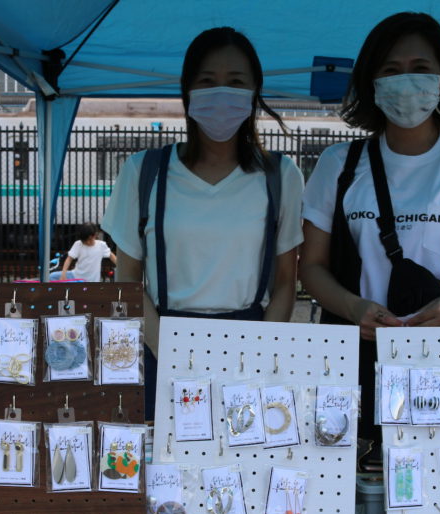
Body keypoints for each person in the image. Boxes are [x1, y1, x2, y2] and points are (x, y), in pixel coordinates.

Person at [299, 12, 440, 450]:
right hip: (355, 359)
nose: (405, 80)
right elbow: (311, 266)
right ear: (371, 82)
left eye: (420, 68)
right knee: (358, 477)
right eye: (391, 70)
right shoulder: (338, 164)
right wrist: (352, 307)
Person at [103, 27, 304, 415]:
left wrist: (260, 355)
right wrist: (172, 356)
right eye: (208, 81)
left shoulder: (281, 175)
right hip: (162, 347)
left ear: (254, 92)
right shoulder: (143, 171)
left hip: (250, 351)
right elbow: (127, 281)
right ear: (187, 91)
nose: (222, 92)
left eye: (236, 82)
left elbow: (285, 282)